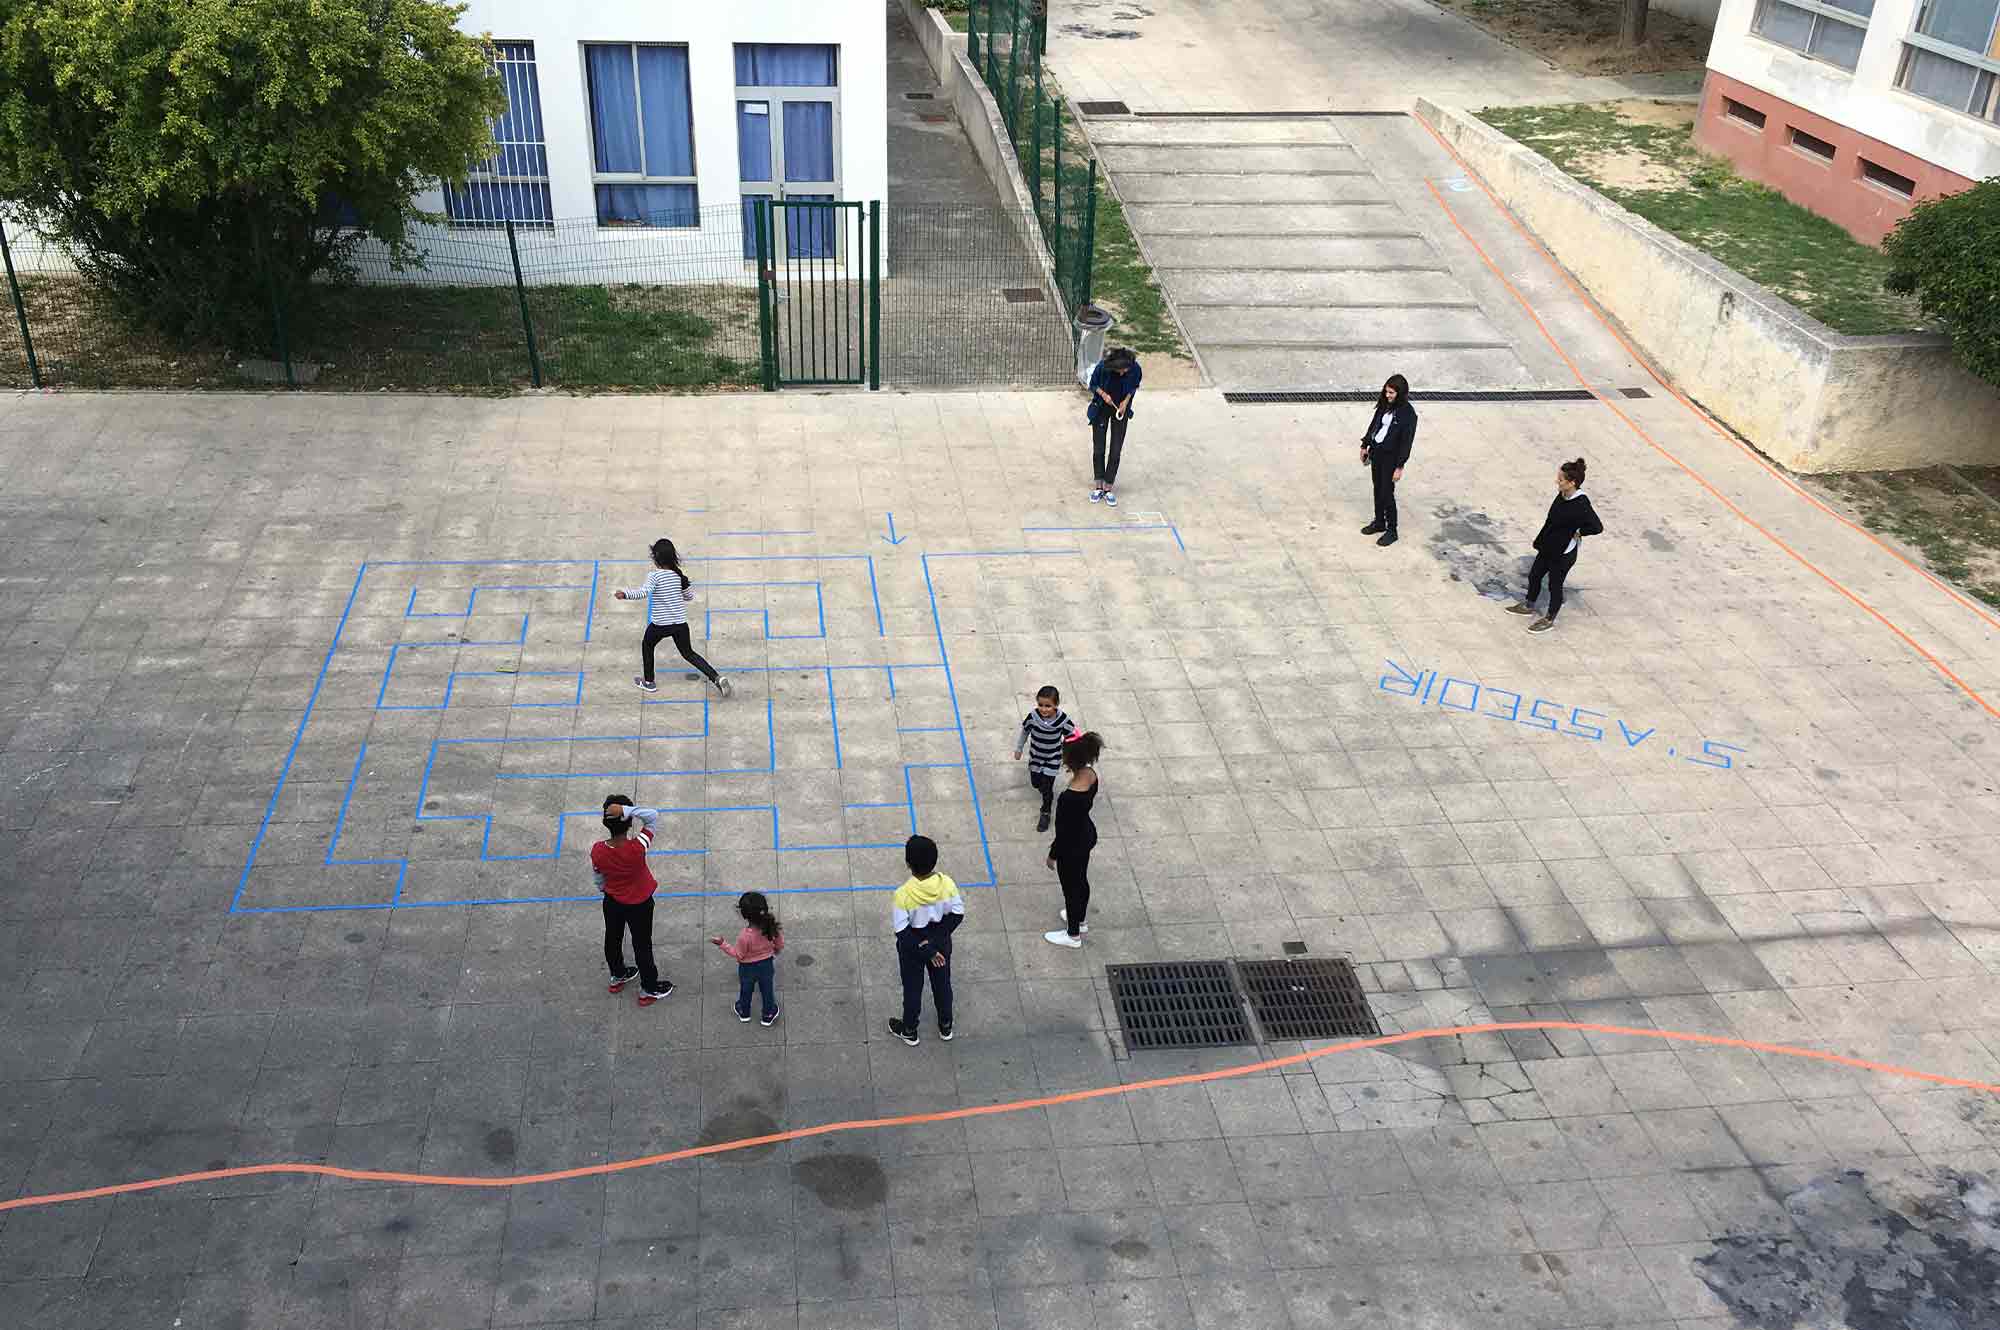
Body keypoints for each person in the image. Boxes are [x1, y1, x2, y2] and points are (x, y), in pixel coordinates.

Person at [614, 538, 733, 697]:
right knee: (689, 653)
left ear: (656, 558)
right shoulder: (678, 576)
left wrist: (625, 594)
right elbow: (689, 596)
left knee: (647, 645)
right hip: (680, 624)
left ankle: (649, 682)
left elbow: (644, 592)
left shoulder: (654, 576)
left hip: (660, 625)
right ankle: (717, 678)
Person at [593, 796, 674, 1006]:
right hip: (639, 904)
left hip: (612, 901)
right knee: (642, 945)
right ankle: (648, 988)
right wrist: (627, 809)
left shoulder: (598, 850)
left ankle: (617, 975)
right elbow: (653, 817)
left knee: (613, 937)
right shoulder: (637, 848)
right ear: (629, 822)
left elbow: (598, 877)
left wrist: (607, 891)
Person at [1507, 457, 1603, 633]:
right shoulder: (1562, 494)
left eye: (1561, 479)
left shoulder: (1581, 503)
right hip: (1548, 546)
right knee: (1534, 575)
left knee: (1554, 586)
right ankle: (1529, 605)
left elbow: (1597, 527)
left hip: (1563, 554)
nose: (1557, 481)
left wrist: (1579, 532)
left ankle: (1549, 618)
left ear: (1572, 483)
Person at [888, 834, 963, 1046]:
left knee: (912, 989)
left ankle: (910, 1030)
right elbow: (957, 914)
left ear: (908, 864)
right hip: (941, 946)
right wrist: (936, 944)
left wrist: (926, 949)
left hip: (913, 950)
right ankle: (945, 1025)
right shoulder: (947, 884)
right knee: (942, 985)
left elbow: (902, 932)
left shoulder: (902, 895)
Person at [1043, 732, 1103, 949]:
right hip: (1086, 835)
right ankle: (1080, 918)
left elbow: (1063, 832)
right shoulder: (1091, 775)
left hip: (1072, 846)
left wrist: (1052, 854)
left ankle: (1073, 934)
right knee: (1081, 880)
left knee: (1071, 887)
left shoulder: (1068, 799)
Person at [1359, 374, 1417, 546]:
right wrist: (1365, 445)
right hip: (1377, 452)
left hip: (1391, 458)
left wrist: (1400, 466)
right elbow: (1374, 424)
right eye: (1386, 392)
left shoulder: (1408, 414)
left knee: (1387, 492)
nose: (1388, 396)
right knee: (1377, 488)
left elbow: (1407, 442)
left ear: (1401, 393)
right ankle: (1379, 522)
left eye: (1391, 393)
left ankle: (1392, 530)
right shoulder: (1385, 405)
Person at [712, 891, 784, 1027]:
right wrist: (775, 951)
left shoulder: (744, 936)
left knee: (746, 989)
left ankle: (744, 1011)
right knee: (767, 989)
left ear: (745, 915)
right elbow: (779, 945)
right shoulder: (771, 926)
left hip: (747, 968)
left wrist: (722, 944)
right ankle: (768, 1014)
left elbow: (738, 954)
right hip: (766, 965)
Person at [1013, 684, 1076, 833]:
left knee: (1047, 788)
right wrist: (1019, 748)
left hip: (1053, 758)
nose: (1044, 709)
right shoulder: (1033, 717)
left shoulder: (1062, 720)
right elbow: (1024, 732)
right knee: (1036, 783)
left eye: (1048, 705)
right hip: (1036, 757)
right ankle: (1042, 787)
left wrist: (1071, 754)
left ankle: (1045, 812)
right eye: (1040, 705)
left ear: (1056, 704)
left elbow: (1071, 736)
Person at [1086, 346, 1142, 506]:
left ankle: (1108, 487)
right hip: (1102, 407)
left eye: (1125, 370)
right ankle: (1098, 485)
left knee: (1116, 449)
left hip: (1120, 410)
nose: (1123, 373)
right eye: (1121, 370)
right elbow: (1093, 384)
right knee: (1099, 448)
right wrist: (1104, 395)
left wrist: (1125, 402)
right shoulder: (1103, 368)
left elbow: (1134, 386)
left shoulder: (1135, 369)